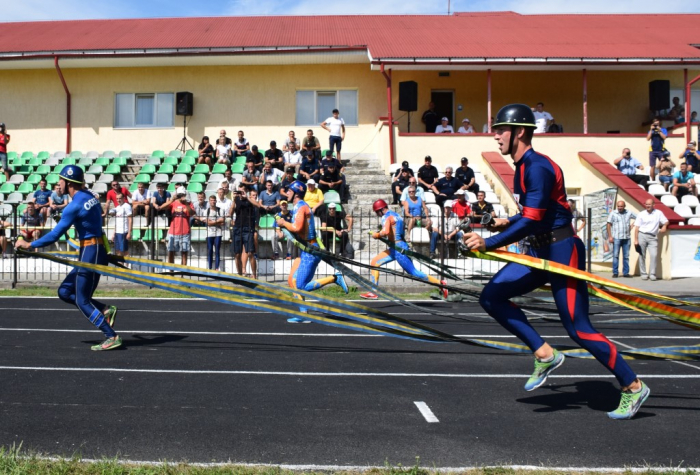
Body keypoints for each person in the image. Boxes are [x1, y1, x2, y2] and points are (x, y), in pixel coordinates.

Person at [463, 103, 648, 420]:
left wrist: (488, 242)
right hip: (538, 251)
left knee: (578, 329)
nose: (495, 136)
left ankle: (633, 386)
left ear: (519, 132)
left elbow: (534, 218)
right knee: (491, 297)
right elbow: (532, 215)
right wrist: (504, 223)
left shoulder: (537, 167)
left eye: (500, 130)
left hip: (563, 249)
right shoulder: (523, 167)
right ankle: (545, 354)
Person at [14, 165, 120, 351]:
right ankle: (104, 309)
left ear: (69, 182)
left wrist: (29, 245)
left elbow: (55, 235)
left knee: (82, 300)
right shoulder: (89, 196)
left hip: (90, 251)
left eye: (60, 180)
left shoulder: (74, 205)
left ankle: (111, 335)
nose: (58, 184)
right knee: (64, 291)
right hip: (96, 249)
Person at [276, 180, 349, 322]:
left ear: (296, 192)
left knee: (300, 286)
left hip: (310, 250)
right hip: (307, 249)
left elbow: (296, 227)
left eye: (289, 191)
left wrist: (283, 223)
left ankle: (335, 278)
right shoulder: (300, 206)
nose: (287, 193)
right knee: (292, 281)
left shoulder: (301, 207)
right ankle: (303, 314)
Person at [361, 199, 447, 300]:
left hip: (398, 249)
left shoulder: (386, 217)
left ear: (381, 209)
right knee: (374, 262)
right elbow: (395, 232)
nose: (377, 215)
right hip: (397, 247)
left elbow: (385, 232)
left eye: (377, 212)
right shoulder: (397, 216)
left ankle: (441, 284)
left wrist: (376, 234)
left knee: (413, 272)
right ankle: (373, 291)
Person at [634, 198, 668, 281]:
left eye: (649, 204)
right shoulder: (641, 214)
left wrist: (664, 226)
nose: (648, 206)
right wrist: (636, 239)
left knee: (654, 255)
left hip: (653, 237)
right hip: (642, 235)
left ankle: (652, 274)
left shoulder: (658, 213)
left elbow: (666, 221)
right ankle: (643, 273)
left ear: (653, 205)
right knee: (642, 255)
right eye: (646, 204)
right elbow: (637, 228)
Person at [230, 185, 259, 279]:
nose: (240, 193)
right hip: (238, 228)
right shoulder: (236, 200)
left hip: (248, 227)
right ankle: (240, 275)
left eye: (242, 191)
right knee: (237, 253)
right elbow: (230, 213)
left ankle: (254, 275)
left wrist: (247, 197)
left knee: (250, 252)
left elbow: (257, 205)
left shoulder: (250, 199)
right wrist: (234, 200)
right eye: (239, 191)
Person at [164, 186, 194, 266]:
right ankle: (171, 272)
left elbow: (191, 213)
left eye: (182, 194)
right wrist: (171, 200)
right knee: (171, 252)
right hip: (173, 232)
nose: (181, 196)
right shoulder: (174, 203)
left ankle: (182, 272)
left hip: (185, 232)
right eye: (179, 195)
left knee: (184, 253)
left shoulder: (189, 203)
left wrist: (186, 203)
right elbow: (163, 207)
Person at [606, 200, 636, 278]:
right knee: (615, 255)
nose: (620, 208)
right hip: (616, 238)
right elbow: (608, 224)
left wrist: (633, 225)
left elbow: (639, 218)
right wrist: (610, 236)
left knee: (626, 256)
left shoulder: (629, 212)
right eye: (618, 206)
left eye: (621, 206)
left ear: (624, 206)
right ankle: (615, 272)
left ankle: (625, 273)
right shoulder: (613, 213)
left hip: (626, 237)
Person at [108, 192, 132, 258]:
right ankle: (121, 266)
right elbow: (117, 221)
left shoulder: (127, 206)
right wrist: (113, 233)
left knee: (124, 251)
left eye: (120, 198)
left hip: (123, 232)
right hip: (117, 232)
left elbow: (130, 219)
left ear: (124, 198)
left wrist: (129, 233)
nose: (118, 200)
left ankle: (127, 266)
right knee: (117, 251)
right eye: (117, 199)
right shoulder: (117, 207)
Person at [205, 194, 225, 271]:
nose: (213, 202)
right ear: (209, 201)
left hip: (218, 232)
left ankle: (217, 268)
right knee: (210, 250)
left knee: (217, 250)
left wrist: (212, 222)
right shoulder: (206, 211)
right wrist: (217, 222)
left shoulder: (220, 210)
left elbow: (222, 222)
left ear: (216, 201)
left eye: (214, 200)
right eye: (211, 200)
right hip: (209, 233)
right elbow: (207, 223)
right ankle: (209, 267)